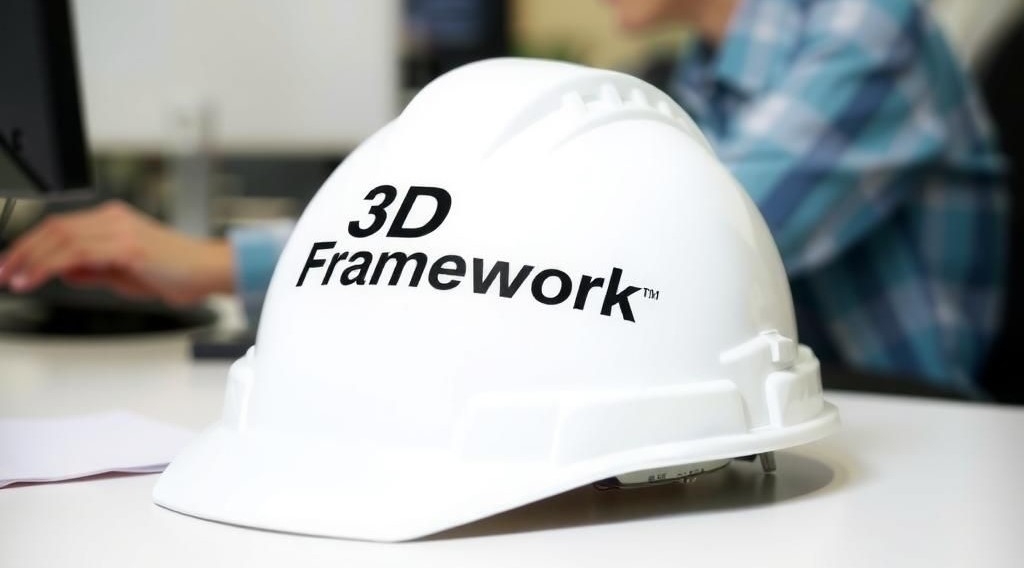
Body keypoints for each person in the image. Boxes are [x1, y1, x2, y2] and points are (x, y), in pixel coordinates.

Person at [0, 0, 1009, 394]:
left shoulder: (867, 35)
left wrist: (215, 263)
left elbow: (681, 250)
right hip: (723, 418)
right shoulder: (690, 83)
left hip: (896, 431)